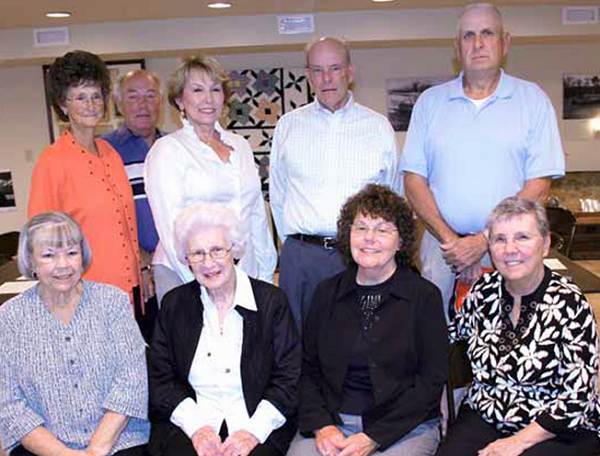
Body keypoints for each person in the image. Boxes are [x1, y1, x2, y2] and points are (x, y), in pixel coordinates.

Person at [400, 3, 565, 321]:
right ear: (456, 46)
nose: (478, 44)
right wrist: (454, 243)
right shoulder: (430, 103)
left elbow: (539, 186)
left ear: (506, 42)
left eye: (487, 34)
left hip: (511, 248)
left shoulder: (533, 101)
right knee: (437, 342)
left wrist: (485, 241)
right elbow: (413, 181)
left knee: (512, 337)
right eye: (468, 36)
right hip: (442, 249)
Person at [289, 184, 448, 456]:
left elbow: (431, 381)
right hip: (333, 423)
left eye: (382, 229)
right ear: (347, 235)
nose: (369, 238)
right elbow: (306, 369)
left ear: (400, 242)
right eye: (361, 228)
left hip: (403, 427)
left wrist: (373, 437)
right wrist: (322, 426)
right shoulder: (327, 293)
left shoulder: (423, 296)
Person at [437, 196, 600, 456]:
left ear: (545, 245)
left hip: (557, 427)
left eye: (522, 237)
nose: (509, 249)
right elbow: (449, 338)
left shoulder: (570, 304)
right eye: (500, 239)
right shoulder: (483, 292)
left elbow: (576, 397)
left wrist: (518, 442)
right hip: (487, 413)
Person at [148, 202, 300, 456]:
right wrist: (196, 428)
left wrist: (253, 432)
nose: (209, 262)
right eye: (197, 253)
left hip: (257, 423)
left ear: (235, 250)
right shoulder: (175, 305)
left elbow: (289, 378)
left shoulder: (271, 303)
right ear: (187, 260)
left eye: (217, 250)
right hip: (192, 425)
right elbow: (160, 378)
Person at [270, 37, 400, 330]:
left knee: (359, 345)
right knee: (297, 347)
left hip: (359, 256)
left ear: (349, 73)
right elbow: (278, 195)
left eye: (335, 68)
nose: (326, 78)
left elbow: (392, 197)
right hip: (301, 257)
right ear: (308, 76)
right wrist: (295, 246)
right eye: (317, 70)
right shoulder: (288, 127)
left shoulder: (378, 127)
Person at [0, 212, 149, 456]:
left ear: (83, 256)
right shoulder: (10, 318)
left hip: (117, 442)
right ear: (30, 260)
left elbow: (131, 382)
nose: (63, 265)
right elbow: (9, 404)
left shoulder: (113, 302)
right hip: (42, 448)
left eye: (71, 253)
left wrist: (95, 450)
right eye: (48, 255)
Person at [145, 56, 276, 305]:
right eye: (197, 90)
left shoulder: (240, 146)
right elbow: (170, 224)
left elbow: (255, 213)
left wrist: (266, 272)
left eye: (215, 89)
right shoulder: (167, 150)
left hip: (242, 272)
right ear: (180, 99)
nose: (208, 99)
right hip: (184, 275)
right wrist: (203, 283)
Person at [28, 50, 141, 309]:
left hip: (128, 287)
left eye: (96, 96)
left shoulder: (111, 153)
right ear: (64, 105)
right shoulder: (52, 161)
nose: (91, 105)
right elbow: (41, 239)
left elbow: (125, 224)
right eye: (80, 97)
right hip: (84, 292)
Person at [104, 69, 163, 338]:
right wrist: (142, 261)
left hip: (179, 267)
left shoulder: (175, 147)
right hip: (134, 274)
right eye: (133, 96)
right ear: (118, 103)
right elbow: (107, 217)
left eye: (150, 95)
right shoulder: (105, 152)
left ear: (160, 101)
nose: (143, 104)